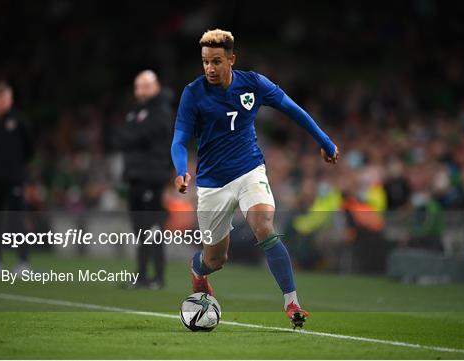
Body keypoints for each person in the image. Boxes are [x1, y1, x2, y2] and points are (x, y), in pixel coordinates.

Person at [171, 29, 339, 328]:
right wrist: (181, 169)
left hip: (249, 170)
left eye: (217, 61)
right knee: (215, 261)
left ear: (231, 60)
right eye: (205, 62)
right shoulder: (193, 93)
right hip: (212, 184)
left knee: (263, 225)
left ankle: (292, 303)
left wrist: (325, 142)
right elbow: (180, 138)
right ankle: (198, 271)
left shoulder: (253, 84)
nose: (210, 68)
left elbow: (293, 110)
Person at [114, 70, 173, 289]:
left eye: (146, 86)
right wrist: (132, 136)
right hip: (135, 177)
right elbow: (119, 136)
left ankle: (158, 277)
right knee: (139, 229)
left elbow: (139, 134)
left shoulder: (161, 110)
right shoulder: (137, 112)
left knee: (153, 228)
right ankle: (141, 275)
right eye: (138, 86)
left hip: (152, 177)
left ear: (155, 86)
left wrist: (131, 135)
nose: (141, 91)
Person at [0, 81, 34, 276]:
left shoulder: (19, 121)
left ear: (10, 99)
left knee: (17, 220)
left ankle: (22, 262)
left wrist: (17, 170)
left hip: (14, 179)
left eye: (4, 98)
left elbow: (29, 149)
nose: (0, 102)